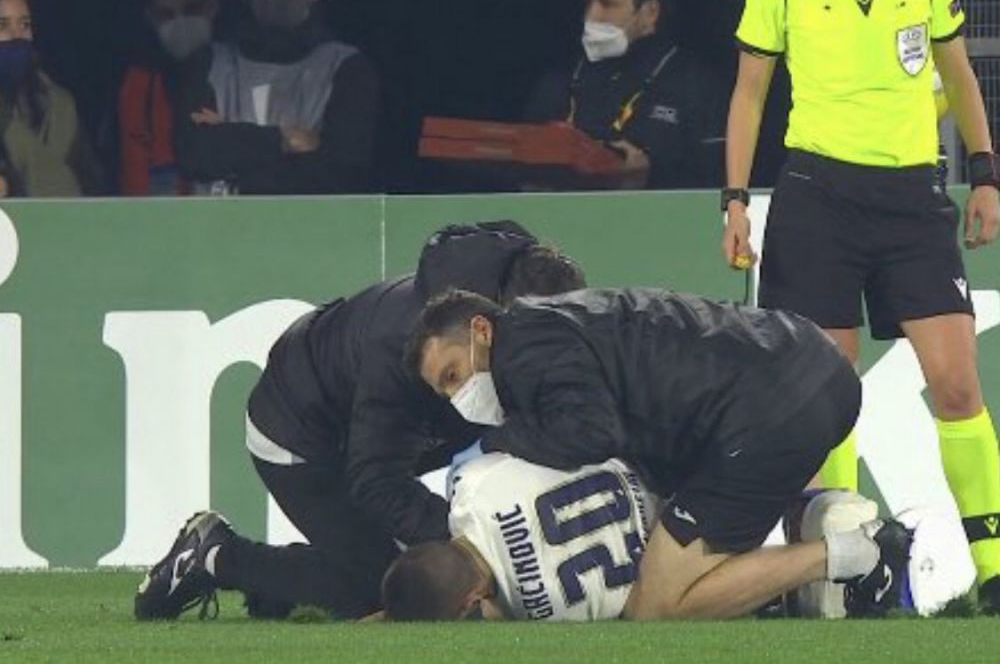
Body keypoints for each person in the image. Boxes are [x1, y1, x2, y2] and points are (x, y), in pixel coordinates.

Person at [720, 0, 1000, 613]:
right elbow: (749, 95)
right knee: (827, 391)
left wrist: (985, 174)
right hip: (818, 198)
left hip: (913, 200)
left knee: (955, 383)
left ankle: (995, 564)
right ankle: (835, 574)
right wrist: (735, 200)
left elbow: (958, 73)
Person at [133, 220, 585, 621]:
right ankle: (215, 556)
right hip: (299, 432)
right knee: (387, 590)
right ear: (485, 326)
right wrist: (479, 539)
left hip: (379, 419)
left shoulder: (521, 299)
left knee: (394, 559)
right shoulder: (406, 350)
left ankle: (278, 587)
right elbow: (375, 479)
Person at [407, 287, 912, 620]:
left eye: (454, 374)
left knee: (654, 606)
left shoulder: (525, 355)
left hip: (765, 416)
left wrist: (498, 441)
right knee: (673, 542)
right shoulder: (548, 321)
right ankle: (815, 514)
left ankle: (859, 554)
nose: (459, 395)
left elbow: (590, 434)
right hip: (803, 367)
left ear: (480, 330)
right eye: (445, 391)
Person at [173, 0, 382, 195]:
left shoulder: (347, 70)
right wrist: (285, 141)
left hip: (313, 236)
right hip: (217, 236)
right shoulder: (208, 62)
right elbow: (195, 155)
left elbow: (341, 174)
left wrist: (232, 138)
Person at [523, 0, 725, 189]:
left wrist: (651, 173)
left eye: (607, 4)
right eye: (589, 2)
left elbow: (720, 182)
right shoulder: (559, 82)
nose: (592, 16)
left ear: (650, 12)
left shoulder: (695, 86)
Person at [381, 452, 657, 621]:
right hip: (651, 460)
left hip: (668, 548)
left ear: (470, 603)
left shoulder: (540, 619)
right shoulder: (472, 480)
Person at [118, 0, 220, 195]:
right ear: (150, 18)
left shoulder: (238, 72)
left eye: (191, 9)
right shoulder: (140, 86)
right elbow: (135, 175)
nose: (180, 22)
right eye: (166, 15)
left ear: (212, 5)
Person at [0, 0, 105, 197]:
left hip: (63, 226)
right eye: (2, 26)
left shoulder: (59, 103)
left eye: (24, 25)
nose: (16, 35)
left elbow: (91, 181)